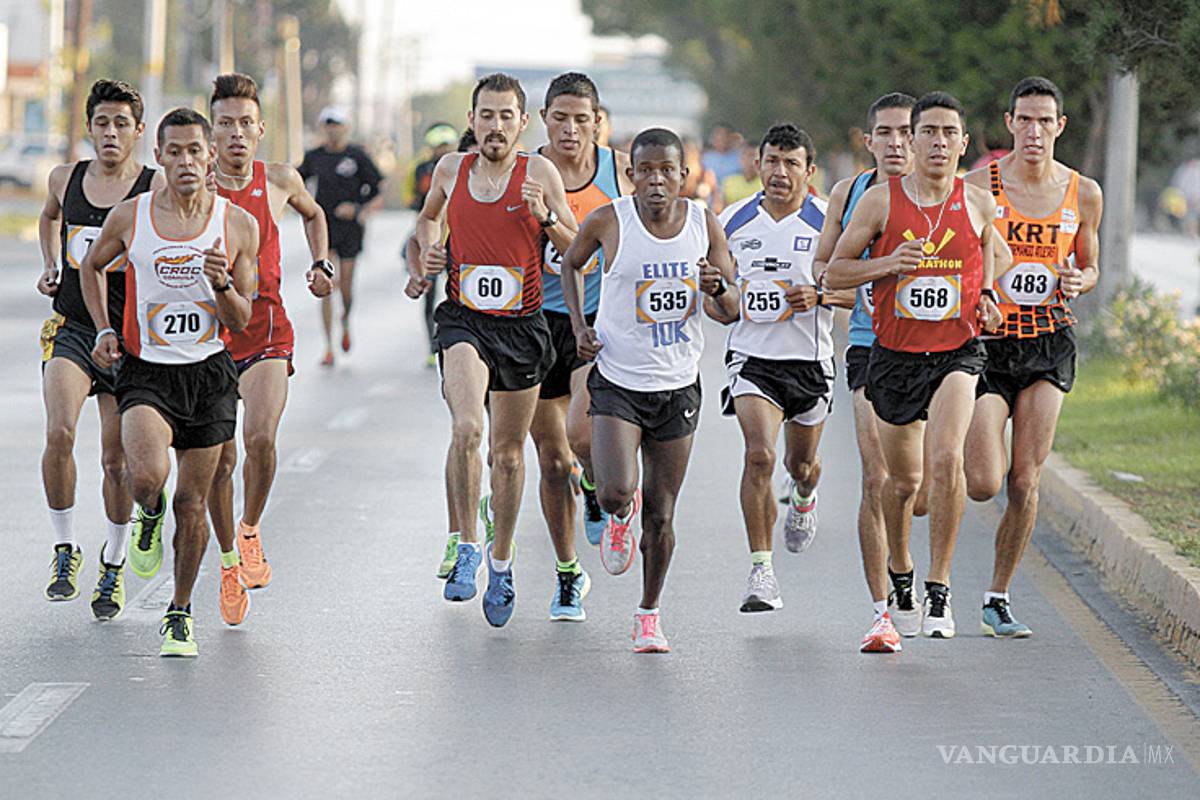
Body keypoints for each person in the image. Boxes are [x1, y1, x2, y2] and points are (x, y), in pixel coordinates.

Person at [80, 108, 258, 656]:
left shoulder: (235, 225)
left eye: (194, 152)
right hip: (147, 371)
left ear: (210, 160)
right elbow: (91, 267)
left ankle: (179, 612)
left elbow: (242, 318)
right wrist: (105, 327)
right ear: (157, 156)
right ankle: (145, 514)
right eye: (174, 151)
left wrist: (223, 284)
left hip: (207, 374)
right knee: (146, 479)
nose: (185, 161)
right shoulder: (131, 217)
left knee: (193, 500)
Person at [826, 91, 1004, 641]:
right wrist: (887, 263)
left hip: (957, 351)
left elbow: (993, 254)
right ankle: (900, 565)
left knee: (946, 457)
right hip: (895, 356)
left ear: (963, 143)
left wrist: (990, 297)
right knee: (902, 483)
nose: (939, 142)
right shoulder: (880, 202)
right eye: (928, 132)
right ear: (912, 138)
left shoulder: (978, 203)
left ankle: (940, 588)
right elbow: (835, 273)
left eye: (950, 133)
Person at [404, 73, 576, 627]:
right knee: (465, 430)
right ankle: (469, 546)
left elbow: (580, 251)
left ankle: (501, 563)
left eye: (506, 116)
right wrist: (427, 256)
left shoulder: (539, 173)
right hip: (463, 320)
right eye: (486, 115)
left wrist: (545, 216)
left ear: (522, 123)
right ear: (472, 121)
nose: (495, 125)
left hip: (523, 328)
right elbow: (426, 221)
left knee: (507, 454)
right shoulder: (451, 170)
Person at [560, 127, 738, 652]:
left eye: (668, 170)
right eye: (646, 171)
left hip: (678, 386)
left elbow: (730, 310)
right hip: (617, 379)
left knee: (662, 513)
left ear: (685, 176)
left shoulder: (705, 226)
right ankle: (617, 515)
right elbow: (570, 263)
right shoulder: (610, 220)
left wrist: (718, 287)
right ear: (632, 174)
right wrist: (579, 326)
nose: (657, 180)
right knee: (617, 491)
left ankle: (648, 614)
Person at [963, 76, 1103, 638]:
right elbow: (957, 262)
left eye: (1045, 121)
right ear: (1009, 123)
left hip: (1049, 342)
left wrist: (1080, 279)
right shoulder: (977, 187)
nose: (1034, 131)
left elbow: (1090, 266)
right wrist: (982, 294)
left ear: (1060, 126)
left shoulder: (1082, 191)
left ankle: (997, 597)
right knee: (982, 482)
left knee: (1025, 480)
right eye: (1025, 119)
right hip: (992, 345)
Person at [205, 73, 335, 626]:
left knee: (258, 439)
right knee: (220, 458)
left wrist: (320, 263)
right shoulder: (191, 185)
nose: (236, 134)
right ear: (211, 133)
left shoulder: (278, 179)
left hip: (266, 330)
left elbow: (315, 214)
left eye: (244, 124)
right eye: (225, 124)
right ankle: (229, 563)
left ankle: (250, 530)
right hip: (205, 336)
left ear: (261, 129)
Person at [36, 79, 162, 618]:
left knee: (117, 462)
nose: (110, 133)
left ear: (138, 131)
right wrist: (50, 263)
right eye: (101, 123)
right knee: (60, 431)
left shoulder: (153, 189)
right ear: (89, 128)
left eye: (121, 124)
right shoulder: (66, 179)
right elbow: (48, 217)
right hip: (74, 327)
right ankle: (65, 548)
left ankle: (112, 566)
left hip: (129, 338)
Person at [813, 92, 918, 651]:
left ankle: (902, 556)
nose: (898, 143)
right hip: (870, 346)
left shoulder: (950, 196)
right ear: (869, 139)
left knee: (915, 487)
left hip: (937, 352)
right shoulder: (849, 194)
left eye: (909, 131)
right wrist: (882, 272)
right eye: (887, 132)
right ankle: (881, 613)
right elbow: (825, 269)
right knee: (876, 479)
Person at [715, 124, 835, 614]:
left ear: (809, 171)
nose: (779, 173)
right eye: (771, 162)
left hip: (809, 361)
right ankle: (761, 571)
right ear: (756, 164)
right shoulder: (731, 221)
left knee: (798, 464)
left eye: (791, 164)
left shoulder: (830, 221)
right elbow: (718, 307)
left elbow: (856, 289)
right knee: (760, 455)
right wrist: (723, 296)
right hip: (753, 359)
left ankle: (804, 494)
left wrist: (820, 294)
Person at [298, 106, 383, 365]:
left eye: (337, 124)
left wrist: (359, 210)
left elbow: (378, 190)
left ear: (346, 127)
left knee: (345, 287)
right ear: (323, 128)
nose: (333, 129)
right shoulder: (315, 157)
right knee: (325, 285)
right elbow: (294, 183)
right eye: (328, 124)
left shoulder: (357, 156)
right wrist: (303, 207)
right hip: (324, 228)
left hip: (350, 229)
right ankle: (328, 346)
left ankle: (345, 320)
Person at [410, 122, 460, 366]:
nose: (443, 150)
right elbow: (411, 197)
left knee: (456, 290)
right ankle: (432, 344)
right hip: (430, 237)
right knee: (428, 293)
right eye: (438, 146)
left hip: (457, 238)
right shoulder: (421, 169)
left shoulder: (462, 167)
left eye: (447, 145)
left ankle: (456, 341)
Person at [720, 140, 761, 207]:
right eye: (746, 155)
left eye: (754, 155)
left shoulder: (766, 184)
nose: (751, 160)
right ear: (741, 158)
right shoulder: (729, 181)